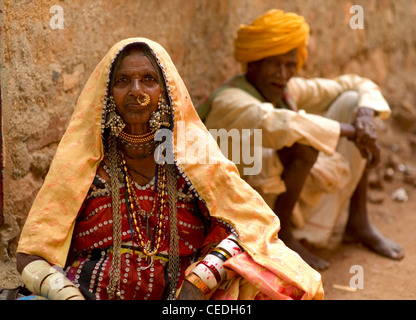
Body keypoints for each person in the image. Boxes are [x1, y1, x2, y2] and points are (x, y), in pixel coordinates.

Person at [15, 37, 323, 300]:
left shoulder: (194, 161)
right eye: (123, 81)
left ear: (168, 92)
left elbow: (251, 227)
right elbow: (30, 254)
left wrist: (199, 280)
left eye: (149, 80)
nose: (137, 90)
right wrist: (67, 296)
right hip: (88, 293)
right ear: (107, 95)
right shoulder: (83, 162)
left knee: (277, 282)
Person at [198, 9, 404, 270]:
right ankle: (282, 237)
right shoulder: (230, 99)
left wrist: (364, 116)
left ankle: (358, 222)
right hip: (239, 209)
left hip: (281, 192)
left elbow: (356, 83)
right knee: (303, 141)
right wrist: (354, 131)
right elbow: (284, 123)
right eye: (275, 64)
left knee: (353, 101)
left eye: (289, 65)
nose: (283, 75)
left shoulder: (287, 91)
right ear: (254, 63)